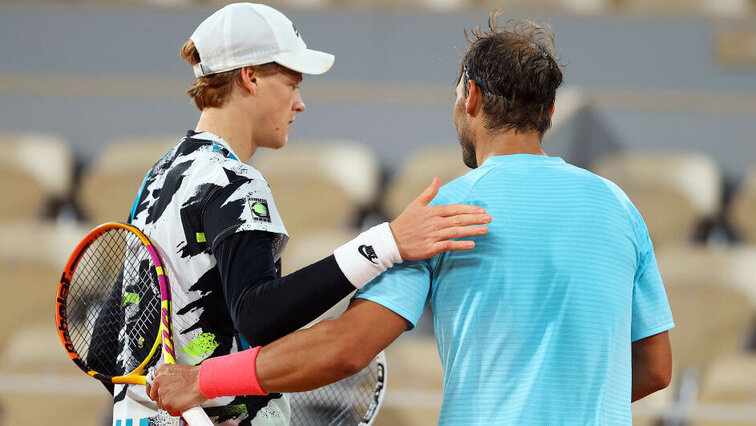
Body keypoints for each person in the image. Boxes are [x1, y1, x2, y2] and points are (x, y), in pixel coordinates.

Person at [148, 11, 674, 425]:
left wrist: (205, 381)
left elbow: (345, 348)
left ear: (469, 98)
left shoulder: (442, 217)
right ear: (549, 113)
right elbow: (655, 369)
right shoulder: (619, 206)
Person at [115, 3, 492, 425]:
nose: (300, 103)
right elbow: (258, 317)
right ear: (250, 77)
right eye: (292, 83)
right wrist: (387, 243)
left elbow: (110, 339)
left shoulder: (159, 176)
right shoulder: (235, 182)